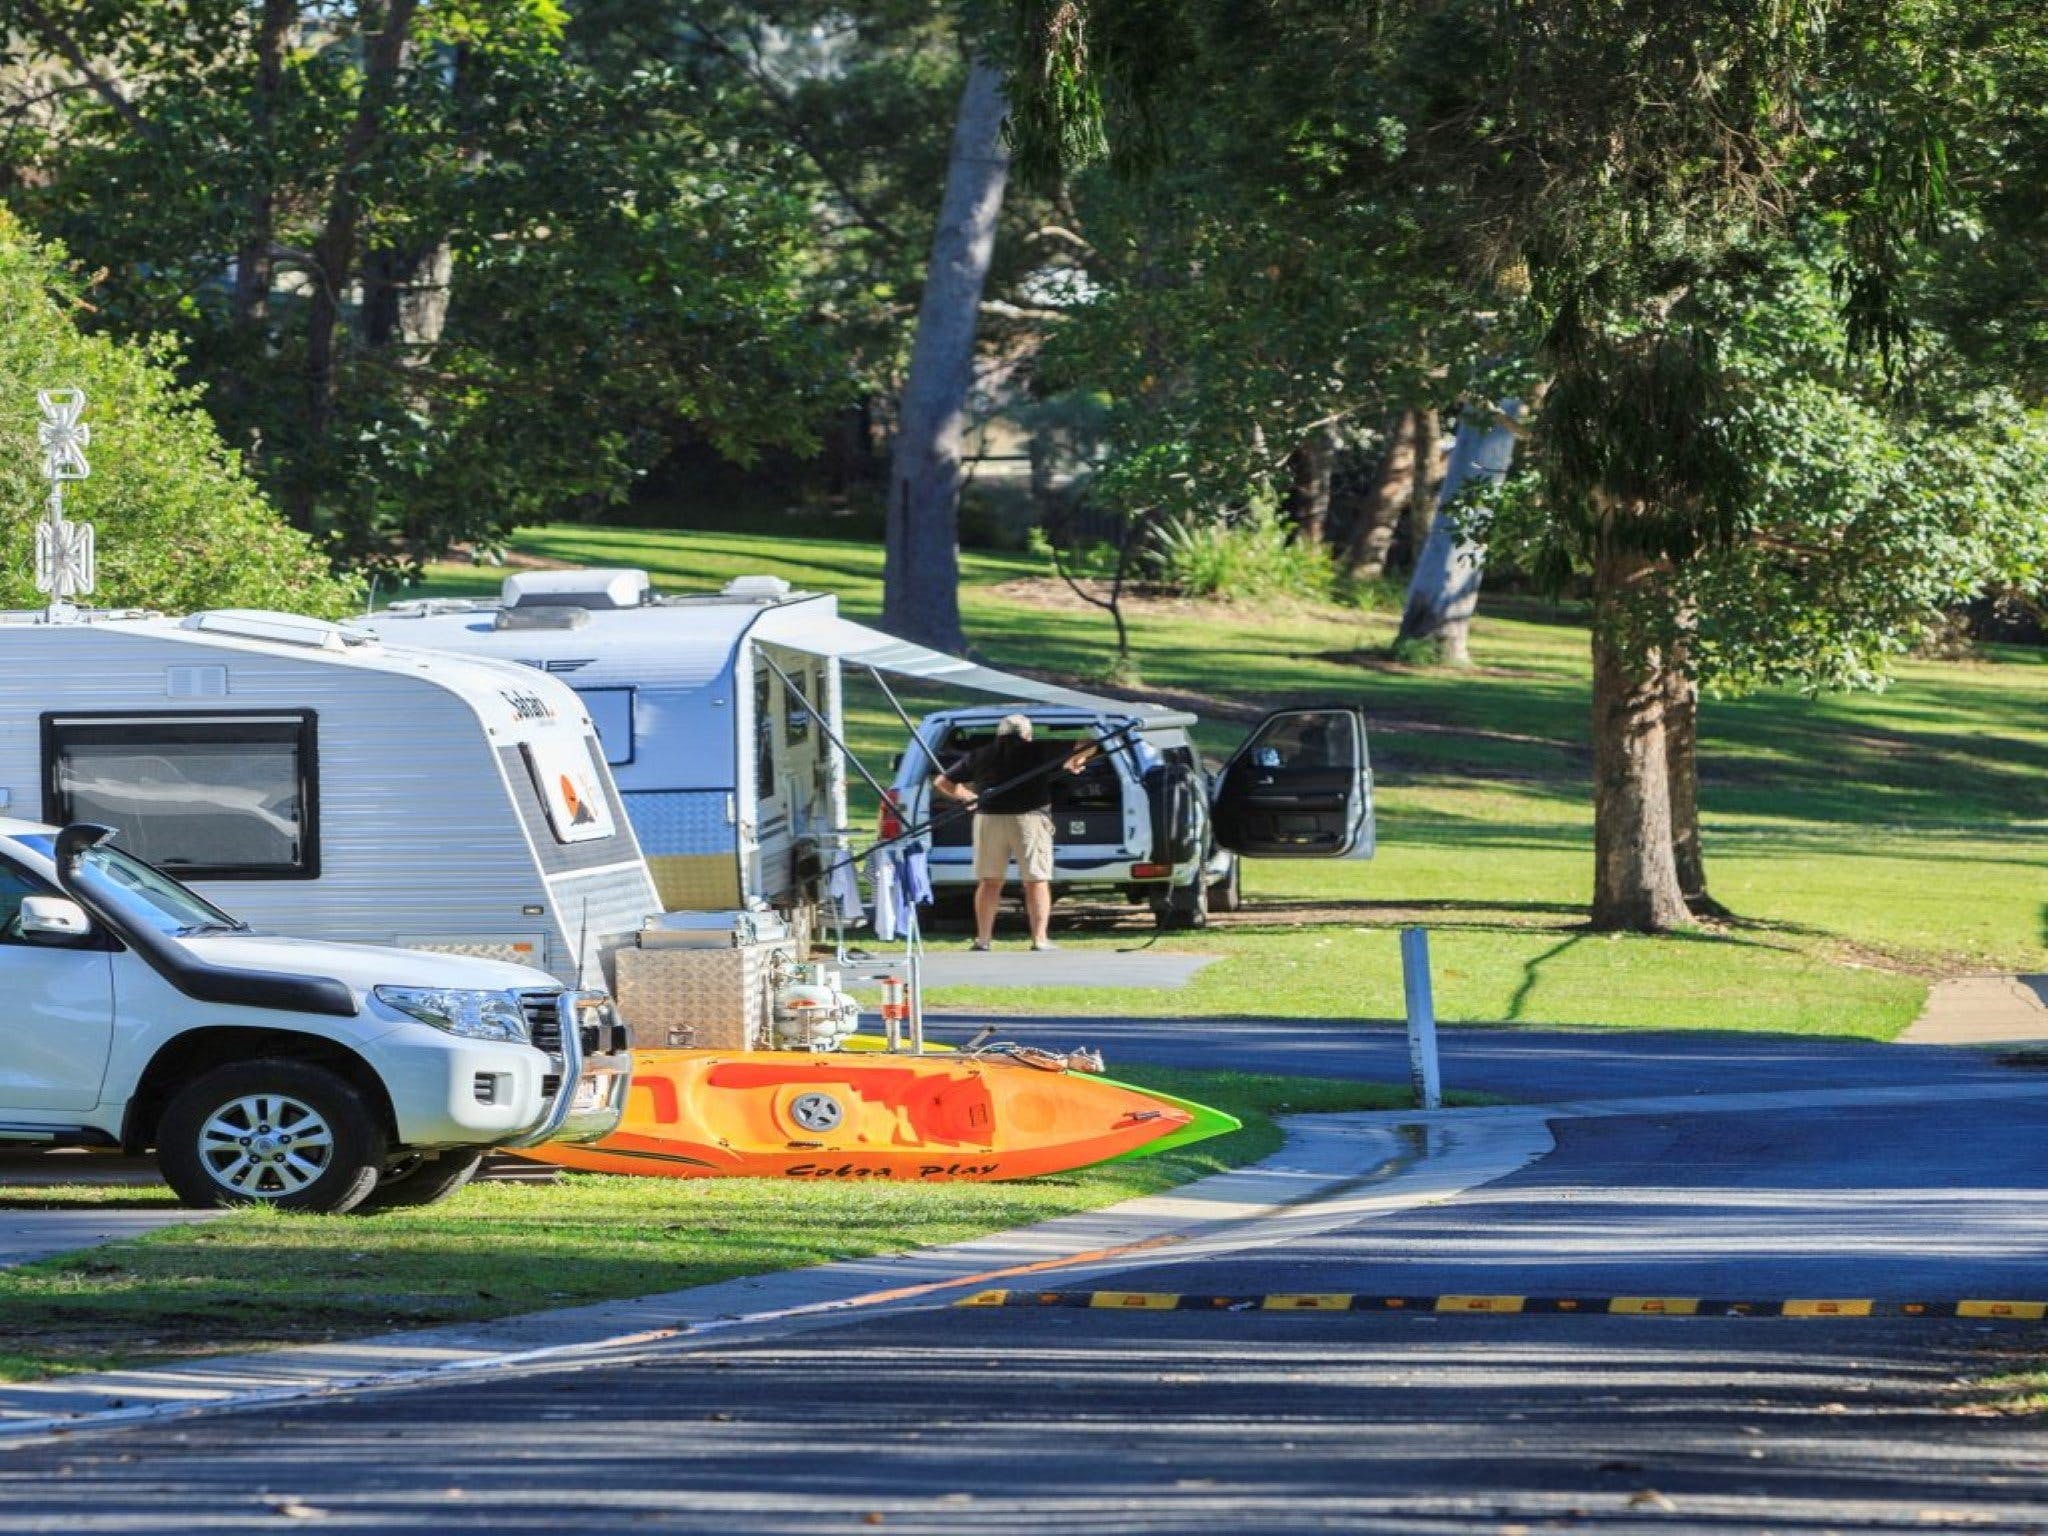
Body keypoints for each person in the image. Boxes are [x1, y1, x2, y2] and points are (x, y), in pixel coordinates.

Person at [933, 714, 1099, 951]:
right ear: (1027, 735)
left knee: (989, 881)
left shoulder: (981, 754)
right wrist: (1076, 759)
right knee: (1036, 880)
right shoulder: (1041, 749)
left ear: (999, 734)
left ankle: (983, 940)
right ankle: (1039, 940)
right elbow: (1089, 744)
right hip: (1029, 819)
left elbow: (942, 782)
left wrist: (967, 797)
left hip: (988, 819)